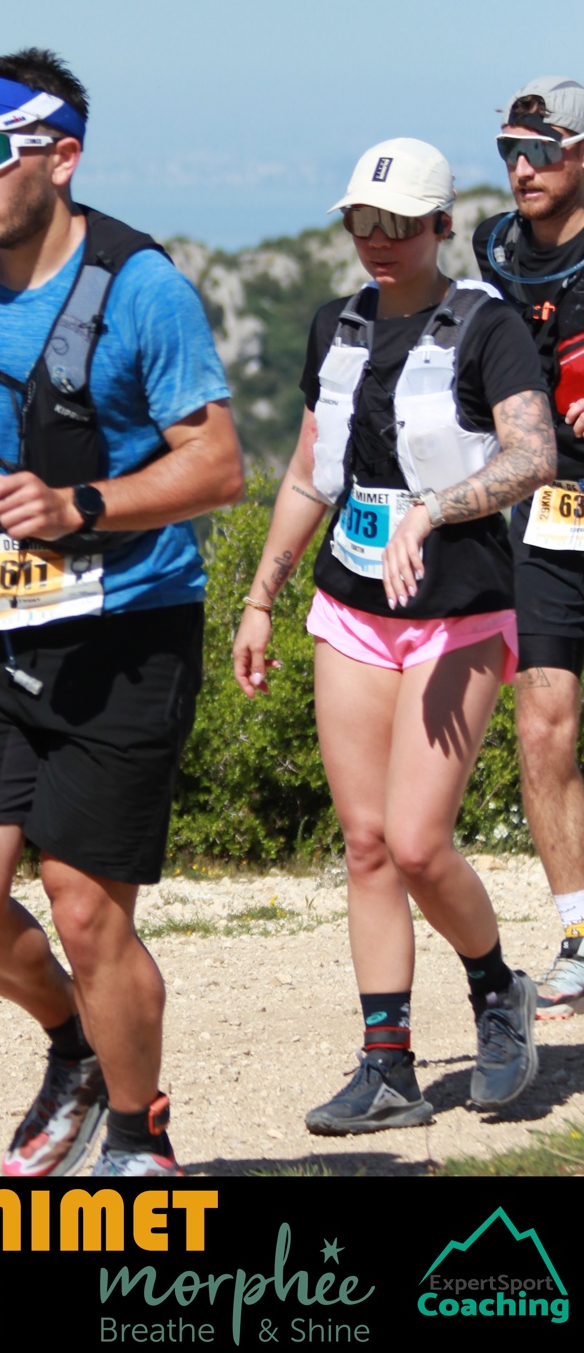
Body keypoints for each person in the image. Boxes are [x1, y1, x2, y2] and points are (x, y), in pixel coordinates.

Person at [0, 49, 243, 1179]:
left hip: (127, 628)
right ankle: (76, 1042)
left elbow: (219, 465)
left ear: (62, 156)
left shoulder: (141, 288)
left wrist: (84, 503)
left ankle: (139, 1140)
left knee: (86, 909)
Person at [233, 139, 555, 1134]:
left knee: (418, 843)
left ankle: (498, 989)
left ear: (441, 225)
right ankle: (387, 1068)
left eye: (400, 224)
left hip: (458, 610)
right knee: (367, 843)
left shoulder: (487, 326)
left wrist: (433, 509)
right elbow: (307, 474)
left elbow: (532, 453)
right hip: (350, 609)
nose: (377, 240)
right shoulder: (335, 326)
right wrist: (260, 596)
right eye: (361, 222)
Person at [472, 76, 584, 1016]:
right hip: (546, 515)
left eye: (542, 151)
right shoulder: (491, 249)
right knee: (541, 723)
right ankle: (581, 938)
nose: (522, 168)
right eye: (511, 150)